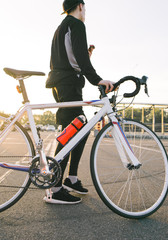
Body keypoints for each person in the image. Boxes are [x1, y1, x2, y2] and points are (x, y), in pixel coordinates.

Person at [44, 0, 114, 204]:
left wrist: (85, 56)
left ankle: (71, 179)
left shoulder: (62, 27)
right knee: (70, 133)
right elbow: (80, 60)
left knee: (80, 128)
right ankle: (55, 188)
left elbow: (73, 56)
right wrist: (97, 79)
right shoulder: (76, 24)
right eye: (85, 8)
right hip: (67, 84)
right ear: (80, 6)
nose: (85, 12)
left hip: (64, 83)